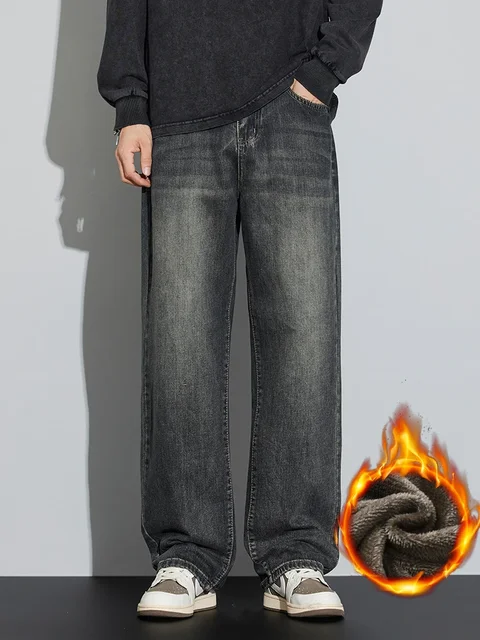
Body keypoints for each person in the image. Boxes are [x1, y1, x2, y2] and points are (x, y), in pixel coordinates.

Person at [97, 0, 383, 619]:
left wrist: (324, 69)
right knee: (179, 338)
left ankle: (296, 554)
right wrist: (131, 104)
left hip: (291, 102)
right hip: (177, 106)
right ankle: (186, 555)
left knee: (303, 335)